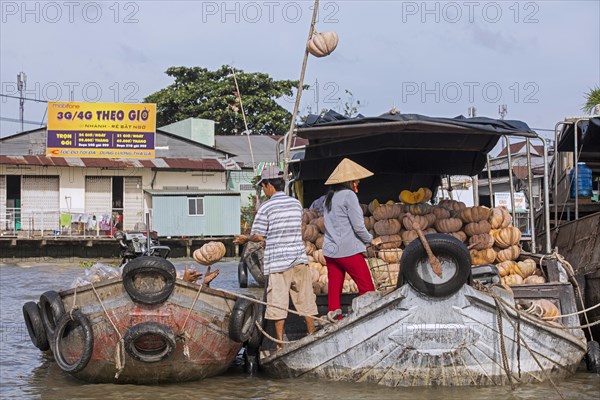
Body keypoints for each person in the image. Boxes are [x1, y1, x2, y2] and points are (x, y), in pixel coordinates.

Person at [234, 166, 317, 350]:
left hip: (279, 262)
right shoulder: (295, 204)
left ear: (269, 185)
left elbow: (258, 236)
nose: (263, 190)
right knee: (305, 299)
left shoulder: (267, 207)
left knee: (277, 303)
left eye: (263, 186)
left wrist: (245, 238)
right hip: (299, 258)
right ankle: (312, 335)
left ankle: (279, 345)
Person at [322, 158, 377, 321]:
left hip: (330, 250)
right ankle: (370, 319)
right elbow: (358, 226)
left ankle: (335, 320)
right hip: (347, 250)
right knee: (367, 288)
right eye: (356, 180)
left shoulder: (329, 197)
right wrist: (370, 240)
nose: (358, 183)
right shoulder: (349, 196)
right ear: (350, 181)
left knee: (334, 289)